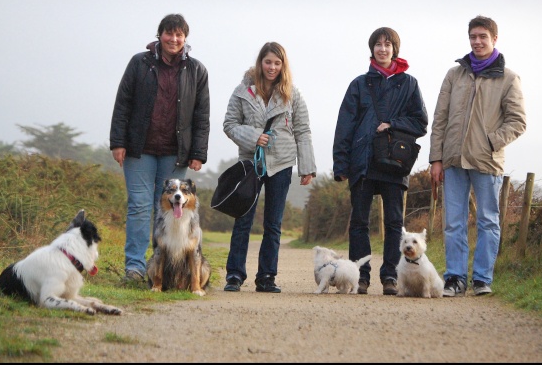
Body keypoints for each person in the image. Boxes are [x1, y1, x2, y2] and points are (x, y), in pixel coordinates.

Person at [429, 15, 526, 297]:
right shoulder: (454, 74)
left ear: (494, 39)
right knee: (453, 222)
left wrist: (490, 141)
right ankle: (455, 279)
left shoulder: (508, 78)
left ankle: (482, 279)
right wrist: (436, 158)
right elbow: (440, 118)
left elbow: (517, 121)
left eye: (483, 36)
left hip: (487, 161)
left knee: (487, 220)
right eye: (473, 37)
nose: (477, 41)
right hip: (453, 160)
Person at [109, 13, 210, 283]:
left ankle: (162, 270)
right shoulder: (139, 63)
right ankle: (135, 267)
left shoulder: (197, 70)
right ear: (160, 35)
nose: (174, 39)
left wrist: (198, 152)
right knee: (140, 207)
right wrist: (118, 142)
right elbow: (123, 103)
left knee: (167, 210)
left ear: (185, 38)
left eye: (179, 35)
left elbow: (202, 114)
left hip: (175, 152)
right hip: (138, 150)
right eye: (169, 33)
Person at [333, 27, 428, 295]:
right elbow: (345, 125)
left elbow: (421, 122)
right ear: (372, 49)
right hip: (362, 160)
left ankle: (390, 277)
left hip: (394, 161)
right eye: (378, 44)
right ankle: (360, 276)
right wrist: (341, 164)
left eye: (388, 44)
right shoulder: (359, 84)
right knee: (359, 222)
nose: (383, 49)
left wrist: (392, 124)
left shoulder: (409, 83)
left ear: (395, 49)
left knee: (394, 223)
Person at [222, 42, 316, 293]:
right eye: (268, 62)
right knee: (243, 219)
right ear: (260, 62)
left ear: (283, 65)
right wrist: (254, 136)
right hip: (250, 163)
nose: (272, 67)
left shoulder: (292, 94)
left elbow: (303, 131)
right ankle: (234, 275)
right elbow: (229, 124)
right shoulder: (242, 91)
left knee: (273, 224)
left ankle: (266, 277)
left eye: (277, 62)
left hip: (282, 163)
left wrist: (307, 167)